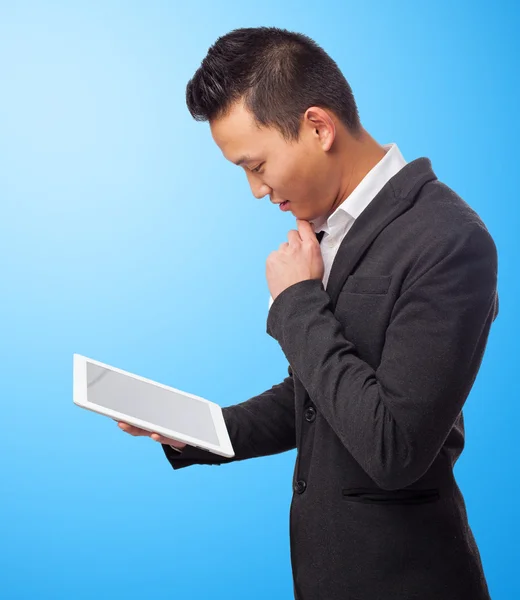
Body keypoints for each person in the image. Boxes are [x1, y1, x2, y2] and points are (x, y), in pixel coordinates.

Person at [118, 26, 498, 600]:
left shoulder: (450, 241)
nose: (255, 190)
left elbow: (392, 447)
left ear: (318, 127)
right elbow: (321, 400)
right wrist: (197, 430)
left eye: (257, 164)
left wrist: (296, 303)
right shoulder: (330, 231)